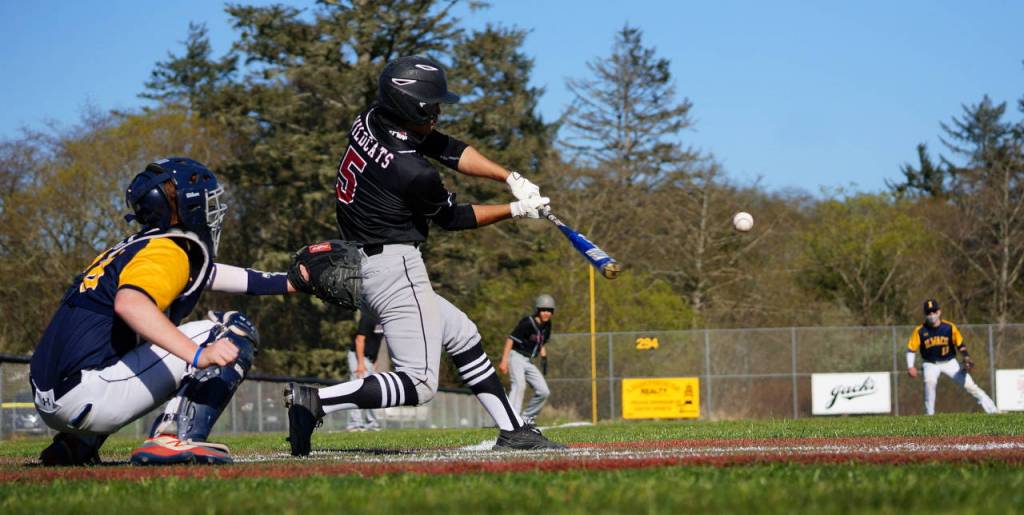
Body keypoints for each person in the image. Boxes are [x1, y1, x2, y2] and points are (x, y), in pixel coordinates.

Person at [285, 55, 564, 454]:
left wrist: (509, 177)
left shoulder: (370, 118)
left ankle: (513, 428)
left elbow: (444, 146)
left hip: (367, 260)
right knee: (419, 383)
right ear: (408, 108)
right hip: (395, 266)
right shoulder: (413, 172)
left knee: (462, 333)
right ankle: (314, 402)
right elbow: (453, 218)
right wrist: (515, 210)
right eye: (429, 106)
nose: (436, 113)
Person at [30, 157, 295, 466]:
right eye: (209, 202)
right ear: (188, 206)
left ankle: (77, 443)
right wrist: (198, 355)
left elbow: (211, 275)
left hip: (53, 396)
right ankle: (174, 436)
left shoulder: (137, 246)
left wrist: (291, 283)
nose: (214, 211)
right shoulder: (168, 250)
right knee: (231, 329)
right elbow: (130, 304)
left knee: (141, 335)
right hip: (88, 394)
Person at [906, 299, 998, 415]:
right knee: (929, 383)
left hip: (949, 362)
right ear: (925, 314)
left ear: (939, 312)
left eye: (934, 312)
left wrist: (966, 357)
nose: (932, 315)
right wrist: (910, 366)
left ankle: (993, 410)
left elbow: (960, 344)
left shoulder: (949, 327)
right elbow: (911, 349)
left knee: (971, 386)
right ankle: (929, 415)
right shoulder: (920, 331)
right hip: (930, 363)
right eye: (929, 313)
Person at [499, 294, 555, 424]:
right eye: (543, 310)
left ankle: (527, 418)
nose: (546, 313)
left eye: (549, 310)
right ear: (538, 310)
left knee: (543, 391)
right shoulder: (527, 322)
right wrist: (504, 361)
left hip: (528, 360)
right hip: (516, 357)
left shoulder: (547, 325)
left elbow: (541, 342)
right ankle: (511, 420)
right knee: (519, 385)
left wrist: (544, 356)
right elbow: (510, 339)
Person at [346, 311, 384, 431]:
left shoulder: (384, 319)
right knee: (358, 389)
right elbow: (359, 340)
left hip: (371, 359)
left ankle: (371, 423)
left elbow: (377, 341)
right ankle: (355, 424)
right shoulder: (368, 316)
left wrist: (376, 359)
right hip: (358, 357)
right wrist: (361, 363)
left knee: (373, 390)